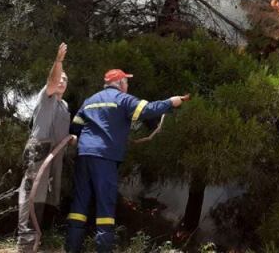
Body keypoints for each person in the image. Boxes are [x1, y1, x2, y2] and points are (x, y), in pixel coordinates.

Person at [66, 69, 189, 253]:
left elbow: (75, 127)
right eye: (127, 82)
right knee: (105, 205)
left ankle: (71, 248)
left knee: (80, 203)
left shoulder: (89, 101)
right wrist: (171, 102)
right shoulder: (122, 99)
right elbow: (147, 110)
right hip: (105, 157)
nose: (128, 85)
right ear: (120, 83)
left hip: (84, 155)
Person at [17, 43, 73, 253]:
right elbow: (52, 81)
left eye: (65, 80)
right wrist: (58, 62)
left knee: (50, 199)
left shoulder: (64, 105)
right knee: (33, 196)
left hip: (56, 156)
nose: (62, 82)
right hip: (40, 151)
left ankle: (41, 242)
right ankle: (26, 244)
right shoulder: (46, 95)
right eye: (60, 78)